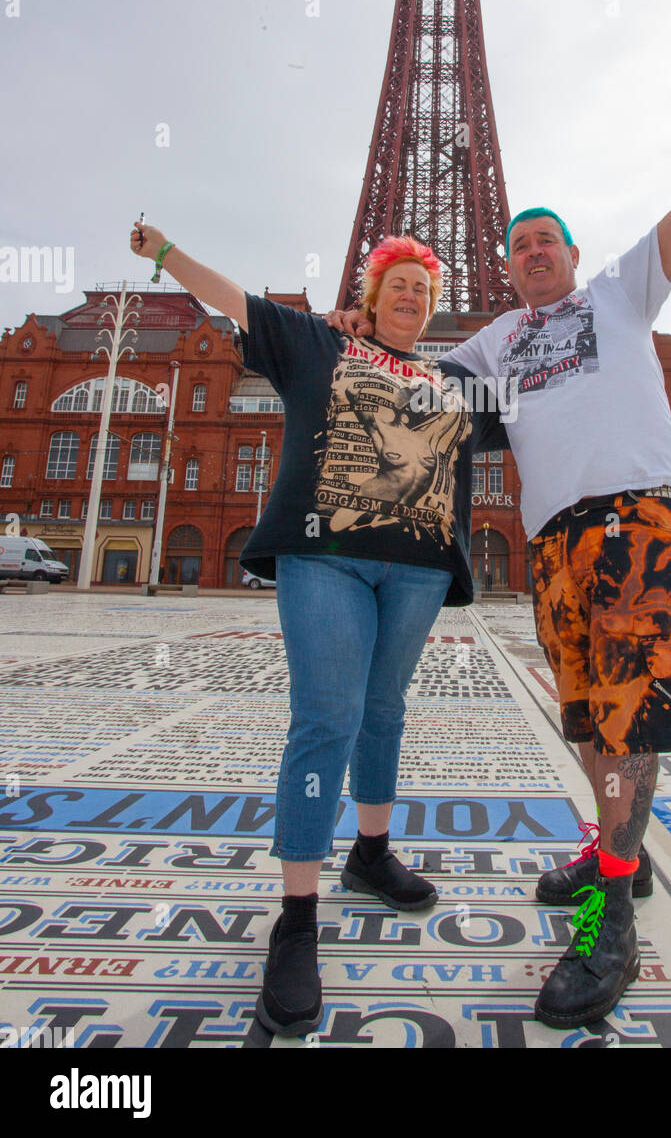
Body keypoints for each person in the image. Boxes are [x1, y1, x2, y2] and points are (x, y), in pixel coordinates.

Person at [327, 24, 671, 1029]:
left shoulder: (622, 290)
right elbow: (412, 387)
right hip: (552, 542)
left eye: (546, 239)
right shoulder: (497, 340)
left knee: (632, 709)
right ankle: (609, 844)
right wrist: (347, 332)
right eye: (520, 244)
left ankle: (615, 920)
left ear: (572, 255)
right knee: (585, 712)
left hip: (640, 519)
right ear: (505, 268)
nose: (533, 250)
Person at [129, 224, 505, 1037]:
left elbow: (543, 410)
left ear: (432, 310)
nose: (410, 296)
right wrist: (165, 255)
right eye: (397, 284)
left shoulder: (455, 382)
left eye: (423, 289)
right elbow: (235, 300)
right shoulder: (316, 342)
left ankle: (370, 852)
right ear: (368, 300)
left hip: (418, 567)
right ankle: (298, 913)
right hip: (326, 556)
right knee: (325, 719)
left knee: (383, 711)